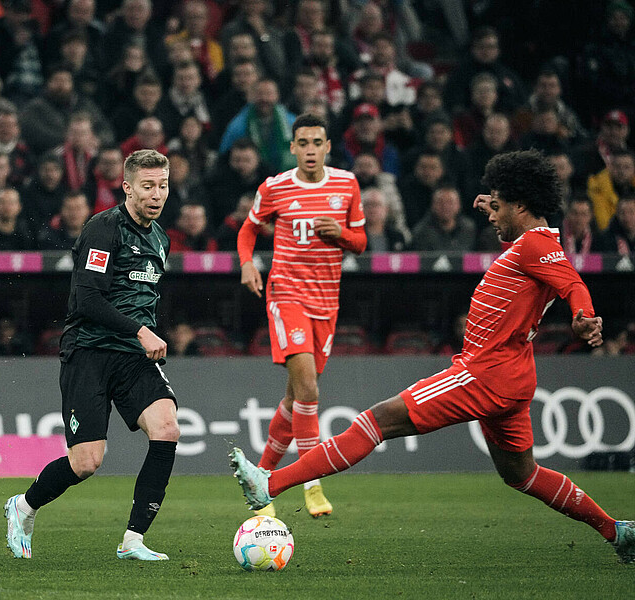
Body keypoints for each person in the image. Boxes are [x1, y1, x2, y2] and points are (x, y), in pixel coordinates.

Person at [230, 150, 635, 565]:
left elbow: (573, 283)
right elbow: (543, 255)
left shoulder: (535, 245)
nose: (492, 214)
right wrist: (491, 204)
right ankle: (617, 531)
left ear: (520, 204)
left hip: (484, 373)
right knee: (522, 474)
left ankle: (270, 483)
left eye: (498, 204)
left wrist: (584, 317)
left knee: (376, 421)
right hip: (512, 376)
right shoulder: (530, 241)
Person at [5, 149, 178, 562]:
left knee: (167, 428)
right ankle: (23, 507)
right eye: (148, 186)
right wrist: (140, 331)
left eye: (163, 186)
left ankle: (133, 540)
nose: (157, 194)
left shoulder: (160, 238)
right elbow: (87, 300)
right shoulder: (103, 230)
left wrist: (143, 333)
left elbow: (142, 300)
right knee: (86, 462)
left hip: (132, 357)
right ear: (128, 187)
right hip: (90, 352)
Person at [236, 113, 366, 518]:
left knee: (294, 399)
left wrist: (339, 235)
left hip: (326, 302)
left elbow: (360, 242)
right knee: (308, 388)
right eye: (303, 143)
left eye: (317, 142)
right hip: (285, 294)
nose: (310, 150)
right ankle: (312, 483)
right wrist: (247, 263)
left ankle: (260, 478)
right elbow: (248, 230)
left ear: (328, 146)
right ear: (292, 147)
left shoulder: (347, 184)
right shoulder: (275, 187)